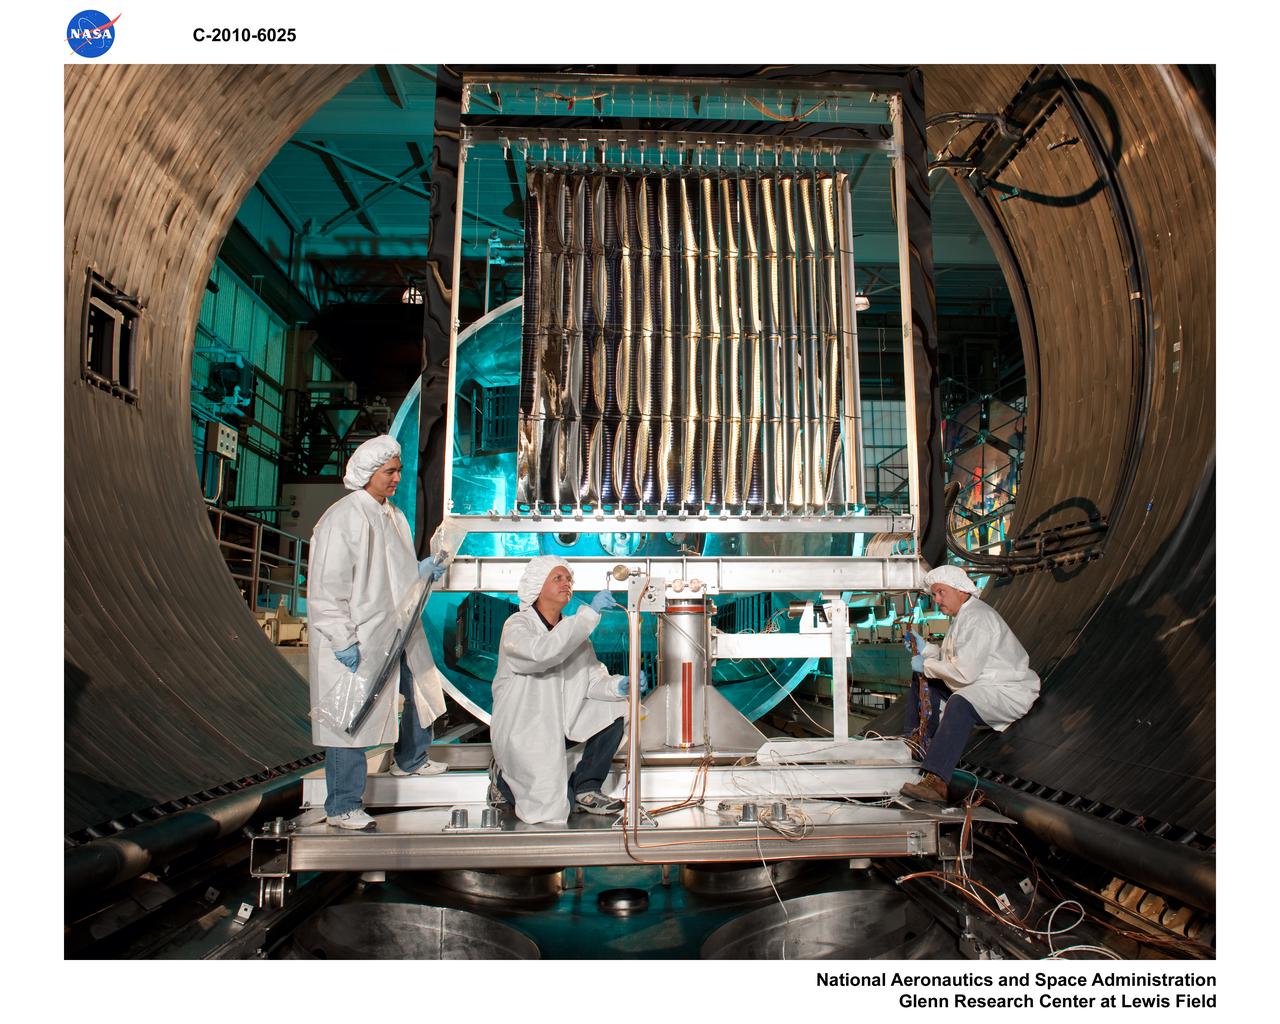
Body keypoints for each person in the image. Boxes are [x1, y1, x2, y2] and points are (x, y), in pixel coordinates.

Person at [307, 435, 450, 830]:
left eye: (399, 470)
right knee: (348, 719)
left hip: (396, 628)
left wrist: (420, 572)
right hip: (359, 636)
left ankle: (412, 760)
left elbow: (396, 574)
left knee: (418, 687)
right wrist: (341, 639)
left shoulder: (394, 517)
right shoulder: (343, 519)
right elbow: (326, 587)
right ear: (368, 473)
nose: (397, 478)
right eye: (390, 471)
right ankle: (342, 807)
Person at [489, 555, 648, 824]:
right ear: (538, 586)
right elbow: (542, 653)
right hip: (526, 729)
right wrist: (589, 616)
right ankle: (503, 781)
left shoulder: (576, 636)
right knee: (545, 811)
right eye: (558, 578)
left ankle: (586, 788)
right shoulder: (518, 626)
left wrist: (619, 685)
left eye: (569, 579)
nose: (567, 583)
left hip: (561, 723)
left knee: (621, 707)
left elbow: (593, 682)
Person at [899, 564, 1040, 804]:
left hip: (1006, 691)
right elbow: (954, 659)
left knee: (960, 703)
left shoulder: (977, 617)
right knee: (926, 679)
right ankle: (916, 741)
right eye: (934, 594)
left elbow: (963, 673)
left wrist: (928, 664)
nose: (937, 600)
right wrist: (928, 651)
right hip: (982, 683)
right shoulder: (963, 616)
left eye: (941, 592)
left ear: (961, 591)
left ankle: (937, 782)